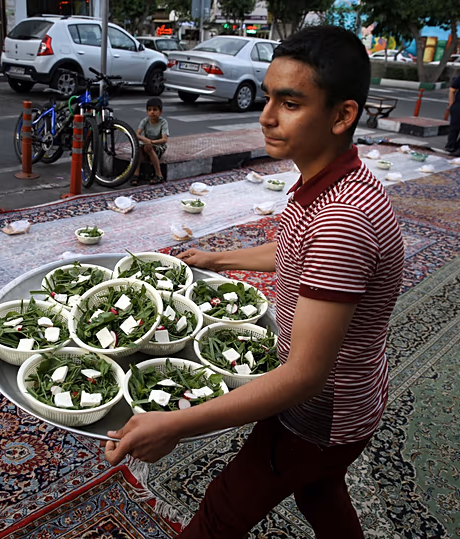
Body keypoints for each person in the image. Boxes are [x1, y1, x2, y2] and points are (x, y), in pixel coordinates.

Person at [104, 25, 405, 538]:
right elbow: (295, 252)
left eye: (290, 103)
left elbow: (305, 375)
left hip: (318, 413)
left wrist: (175, 423)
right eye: (268, 97)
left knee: (223, 510)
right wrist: (220, 260)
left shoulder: (342, 222)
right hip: (351, 402)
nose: (266, 116)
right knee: (321, 493)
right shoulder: (335, 179)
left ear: (342, 115)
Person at [131, 97, 168, 185]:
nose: (152, 112)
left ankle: (159, 175)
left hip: (158, 147)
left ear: (160, 111)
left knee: (149, 148)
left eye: (155, 110)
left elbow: (164, 140)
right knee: (138, 148)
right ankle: (136, 174)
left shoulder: (163, 122)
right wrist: (145, 140)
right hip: (146, 145)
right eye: (149, 110)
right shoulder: (145, 121)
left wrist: (150, 142)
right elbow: (137, 134)